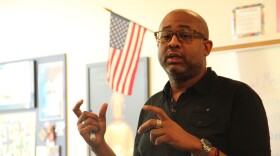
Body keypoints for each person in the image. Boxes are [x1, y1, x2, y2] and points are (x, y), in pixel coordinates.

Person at [73, 9, 271, 156]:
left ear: (206, 47)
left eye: (185, 35)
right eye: (166, 36)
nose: (173, 42)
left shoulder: (238, 97)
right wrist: (99, 146)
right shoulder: (152, 105)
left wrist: (198, 146)